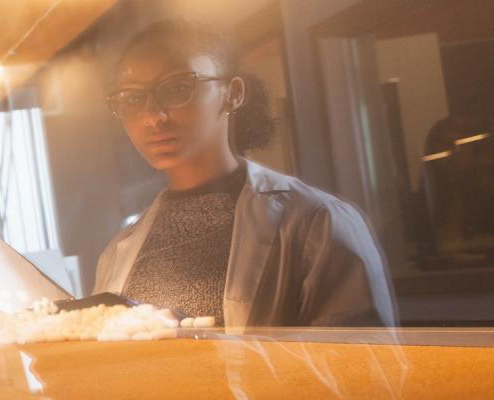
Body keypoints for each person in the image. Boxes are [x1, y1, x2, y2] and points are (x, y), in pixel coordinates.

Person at [93, 20, 396, 330]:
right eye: (132, 98)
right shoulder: (119, 252)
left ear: (233, 93)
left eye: (177, 88)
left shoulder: (317, 221)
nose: (152, 116)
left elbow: (364, 366)